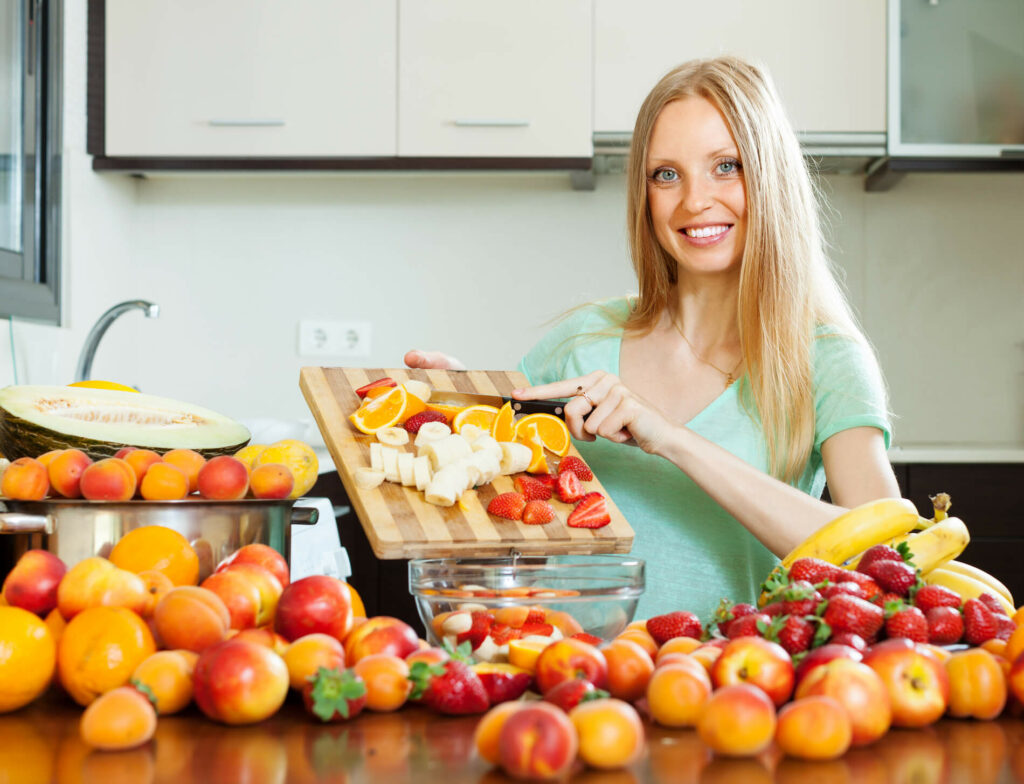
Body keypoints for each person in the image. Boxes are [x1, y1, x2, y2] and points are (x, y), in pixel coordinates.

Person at [406, 56, 901, 621]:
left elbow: (882, 559)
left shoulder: (826, 359)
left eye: (727, 166)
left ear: (770, 176)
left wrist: (670, 438)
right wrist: (452, 411)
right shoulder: (582, 341)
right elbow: (498, 480)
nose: (694, 201)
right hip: (569, 683)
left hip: (732, 692)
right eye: (666, 174)